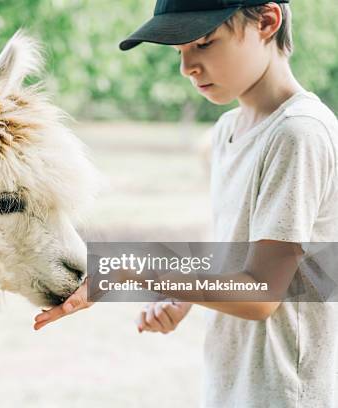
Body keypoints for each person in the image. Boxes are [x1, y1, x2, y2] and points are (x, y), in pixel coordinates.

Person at [34, 1, 338, 407]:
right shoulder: (229, 130)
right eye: (180, 51)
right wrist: (185, 295)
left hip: (283, 394)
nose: (187, 67)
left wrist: (134, 266)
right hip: (232, 387)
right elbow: (238, 258)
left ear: (266, 21)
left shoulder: (298, 134)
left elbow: (263, 292)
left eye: (205, 43)